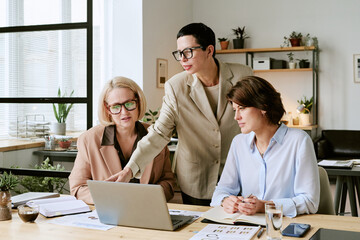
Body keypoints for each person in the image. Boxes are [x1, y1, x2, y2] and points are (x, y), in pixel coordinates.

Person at [108, 23, 253, 205]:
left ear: (209, 50)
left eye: (188, 51)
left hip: (239, 175)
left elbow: (256, 123)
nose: (182, 59)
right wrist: (129, 169)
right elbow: (160, 133)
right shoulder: (175, 87)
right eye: (179, 53)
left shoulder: (243, 75)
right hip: (195, 179)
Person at [210, 76, 320, 217]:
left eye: (242, 108)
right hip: (246, 225)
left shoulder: (299, 141)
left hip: (285, 225)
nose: (236, 117)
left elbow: (310, 202)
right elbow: (222, 190)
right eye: (234, 110)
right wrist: (225, 200)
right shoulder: (239, 143)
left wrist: (267, 206)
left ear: (263, 106)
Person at [69, 76, 176, 204]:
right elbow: (77, 188)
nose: (124, 112)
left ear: (138, 102)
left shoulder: (155, 135)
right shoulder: (89, 140)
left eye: (129, 104)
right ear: (107, 109)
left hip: (147, 209)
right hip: (108, 213)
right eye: (116, 107)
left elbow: (168, 183)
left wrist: (145, 198)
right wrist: (110, 198)